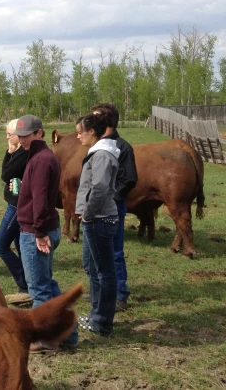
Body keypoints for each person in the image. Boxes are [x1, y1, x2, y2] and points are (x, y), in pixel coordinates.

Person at [14, 114, 78, 352]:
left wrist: (39, 232)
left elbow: (40, 199)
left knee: (39, 288)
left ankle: (44, 339)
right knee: (48, 285)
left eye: (27, 136)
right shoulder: (41, 156)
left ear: (39, 133)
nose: (22, 140)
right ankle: (69, 335)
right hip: (42, 227)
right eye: (19, 136)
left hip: (36, 231)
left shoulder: (41, 160)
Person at [75, 113, 120, 336]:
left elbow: (100, 188)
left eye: (80, 132)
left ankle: (102, 322)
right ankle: (95, 316)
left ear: (92, 131)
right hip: (97, 218)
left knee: (104, 273)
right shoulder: (99, 152)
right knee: (95, 270)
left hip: (99, 219)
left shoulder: (102, 154)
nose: (78, 136)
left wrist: (88, 214)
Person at [92, 103, 137, 312]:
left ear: (107, 122)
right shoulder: (96, 144)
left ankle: (120, 294)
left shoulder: (122, 147)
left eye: (96, 118)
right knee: (96, 252)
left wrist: (110, 198)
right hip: (96, 209)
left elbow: (129, 179)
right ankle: (100, 290)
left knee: (114, 251)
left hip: (113, 208)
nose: (90, 122)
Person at [0, 119, 30, 304]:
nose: (7, 137)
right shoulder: (17, 152)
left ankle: (25, 285)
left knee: (0, 245)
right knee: (20, 247)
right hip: (15, 203)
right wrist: (9, 153)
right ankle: (26, 287)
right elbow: (6, 174)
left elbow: (6, 175)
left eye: (10, 134)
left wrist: (9, 153)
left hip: (18, 206)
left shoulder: (23, 153)